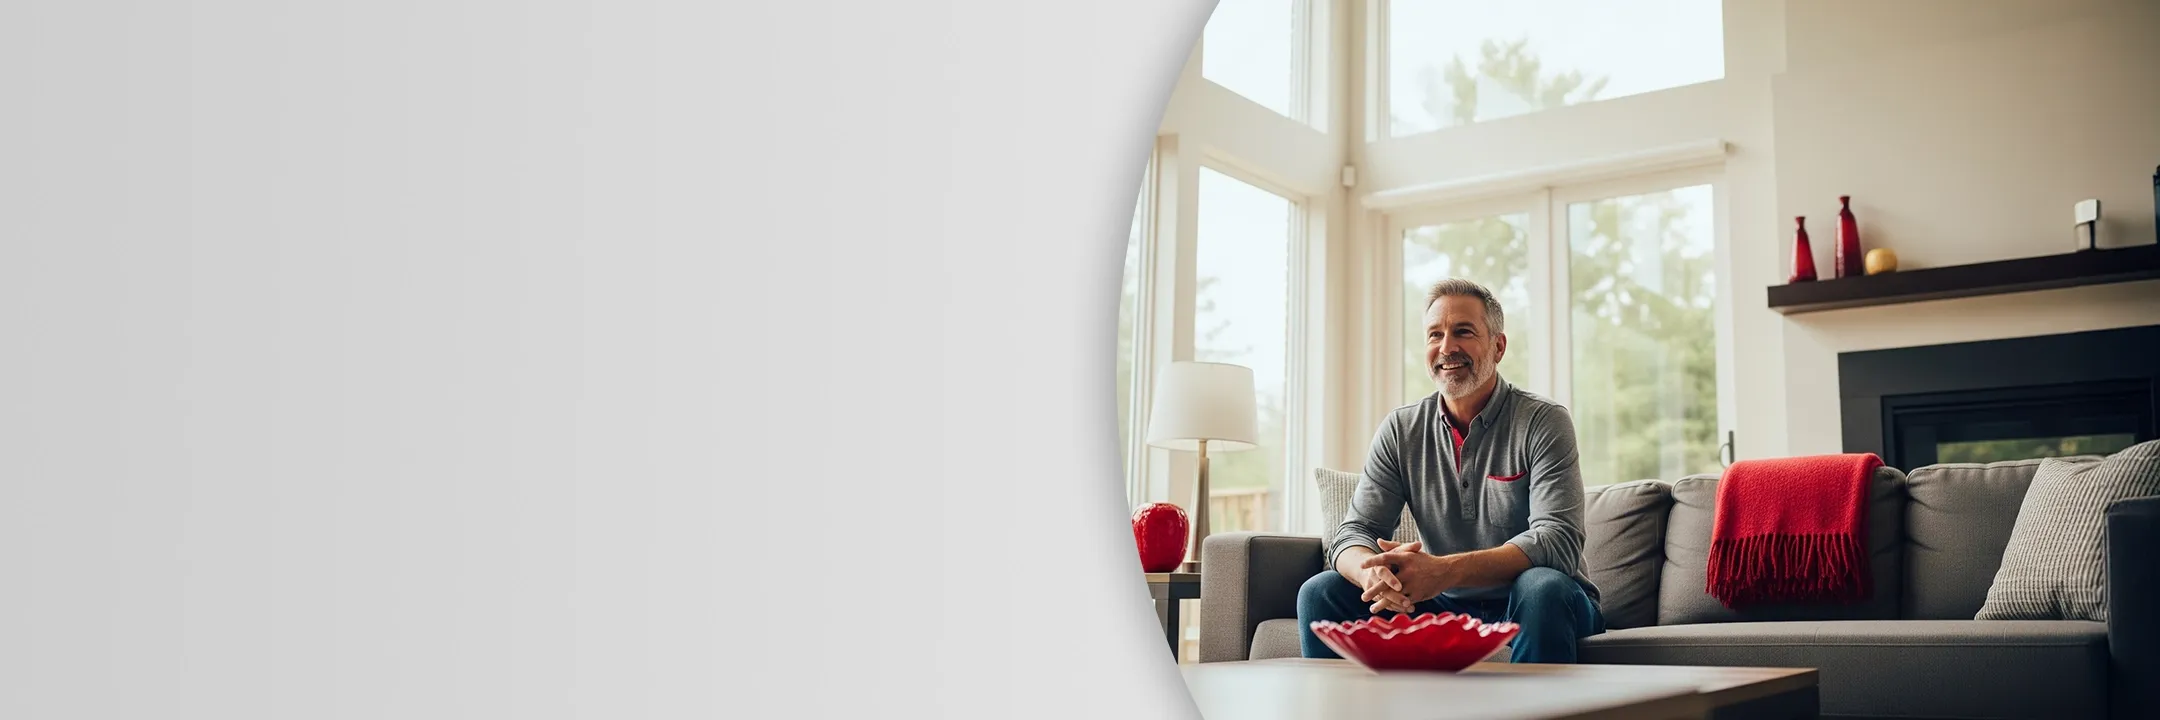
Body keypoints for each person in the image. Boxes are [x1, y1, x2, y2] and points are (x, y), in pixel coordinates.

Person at [1298, 278, 1604, 663]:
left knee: (1541, 586)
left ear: (1498, 346)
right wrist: (1370, 573)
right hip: (1444, 608)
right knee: (1320, 591)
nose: (1446, 348)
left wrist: (1445, 570)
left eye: (1463, 332)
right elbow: (1354, 532)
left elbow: (1557, 541)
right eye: (1434, 335)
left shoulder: (1543, 421)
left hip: (1544, 601)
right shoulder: (1400, 429)